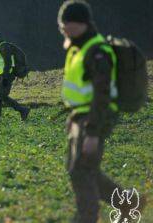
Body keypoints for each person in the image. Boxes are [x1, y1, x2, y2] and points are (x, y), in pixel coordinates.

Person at [58, 1, 146, 222]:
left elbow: (102, 95)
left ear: (81, 24)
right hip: (82, 116)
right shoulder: (78, 48)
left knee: (81, 170)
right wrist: (73, 117)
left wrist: (94, 132)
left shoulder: (97, 51)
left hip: (97, 117)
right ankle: (129, 202)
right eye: (62, 25)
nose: (64, 29)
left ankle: (86, 217)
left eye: (67, 24)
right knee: (83, 169)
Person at [0, 32, 30, 122]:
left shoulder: (4, 47)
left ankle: (23, 110)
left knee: (2, 96)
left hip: (6, 75)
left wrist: (6, 77)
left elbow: (8, 63)